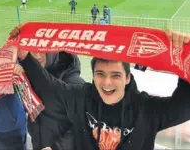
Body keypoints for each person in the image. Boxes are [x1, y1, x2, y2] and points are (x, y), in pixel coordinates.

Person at [10, 26, 190, 150]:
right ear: (93, 75)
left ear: (128, 78)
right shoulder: (81, 97)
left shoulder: (146, 108)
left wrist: (185, 62)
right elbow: (48, 86)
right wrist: (25, 56)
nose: (107, 82)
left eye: (116, 75)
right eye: (100, 74)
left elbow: (183, 107)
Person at [27, 52, 85, 150]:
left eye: (42, 48)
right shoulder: (33, 77)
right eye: (31, 50)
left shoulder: (75, 84)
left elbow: (82, 129)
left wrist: (53, 147)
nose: (37, 55)